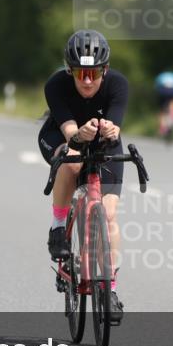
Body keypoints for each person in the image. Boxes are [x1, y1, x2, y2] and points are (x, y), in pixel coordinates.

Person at [38, 30, 127, 322]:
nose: (86, 80)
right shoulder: (56, 85)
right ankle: (58, 226)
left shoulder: (117, 85)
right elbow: (69, 133)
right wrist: (79, 134)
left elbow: (113, 126)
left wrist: (111, 129)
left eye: (93, 73)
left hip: (103, 142)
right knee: (73, 160)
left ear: (105, 70)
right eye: (79, 73)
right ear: (69, 71)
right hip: (62, 136)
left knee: (110, 215)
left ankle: (110, 289)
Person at [154, 70, 173, 139]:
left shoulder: (161, 77)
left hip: (163, 92)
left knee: (162, 111)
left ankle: (162, 127)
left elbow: (157, 86)